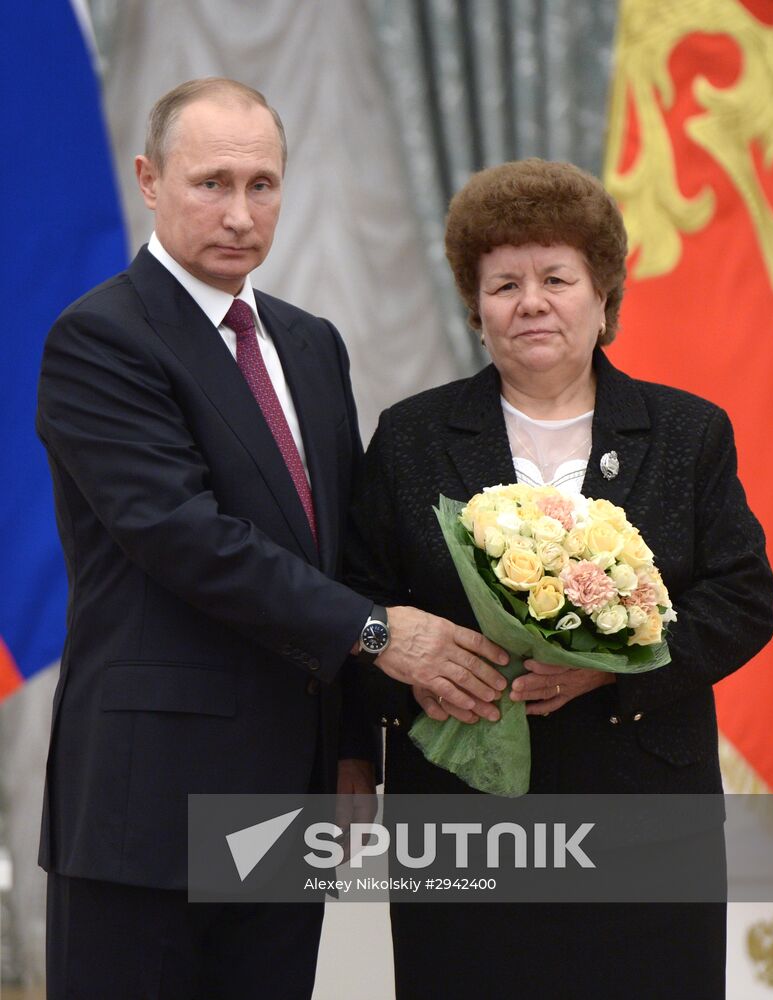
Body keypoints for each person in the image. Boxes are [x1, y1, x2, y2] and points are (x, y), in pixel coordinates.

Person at [36, 77, 508, 1000]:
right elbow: (185, 538)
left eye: (263, 185)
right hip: (148, 801)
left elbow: (337, 552)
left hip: (288, 800)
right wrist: (382, 633)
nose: (240, 213)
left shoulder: (310, 343)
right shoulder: (99, 338)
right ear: (148, 179)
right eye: (211, 182)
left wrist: (349, 749)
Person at [345, 159, 773, 999]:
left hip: (647, 808)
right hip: (464, 818)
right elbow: (358, 599)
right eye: (503, 283)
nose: (531, 301)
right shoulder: (411, 437)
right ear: (475, 308)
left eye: (556, 276)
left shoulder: (689, 432)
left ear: (603, 293)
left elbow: (743, 597)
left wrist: (618, 670)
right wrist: (407, 691)